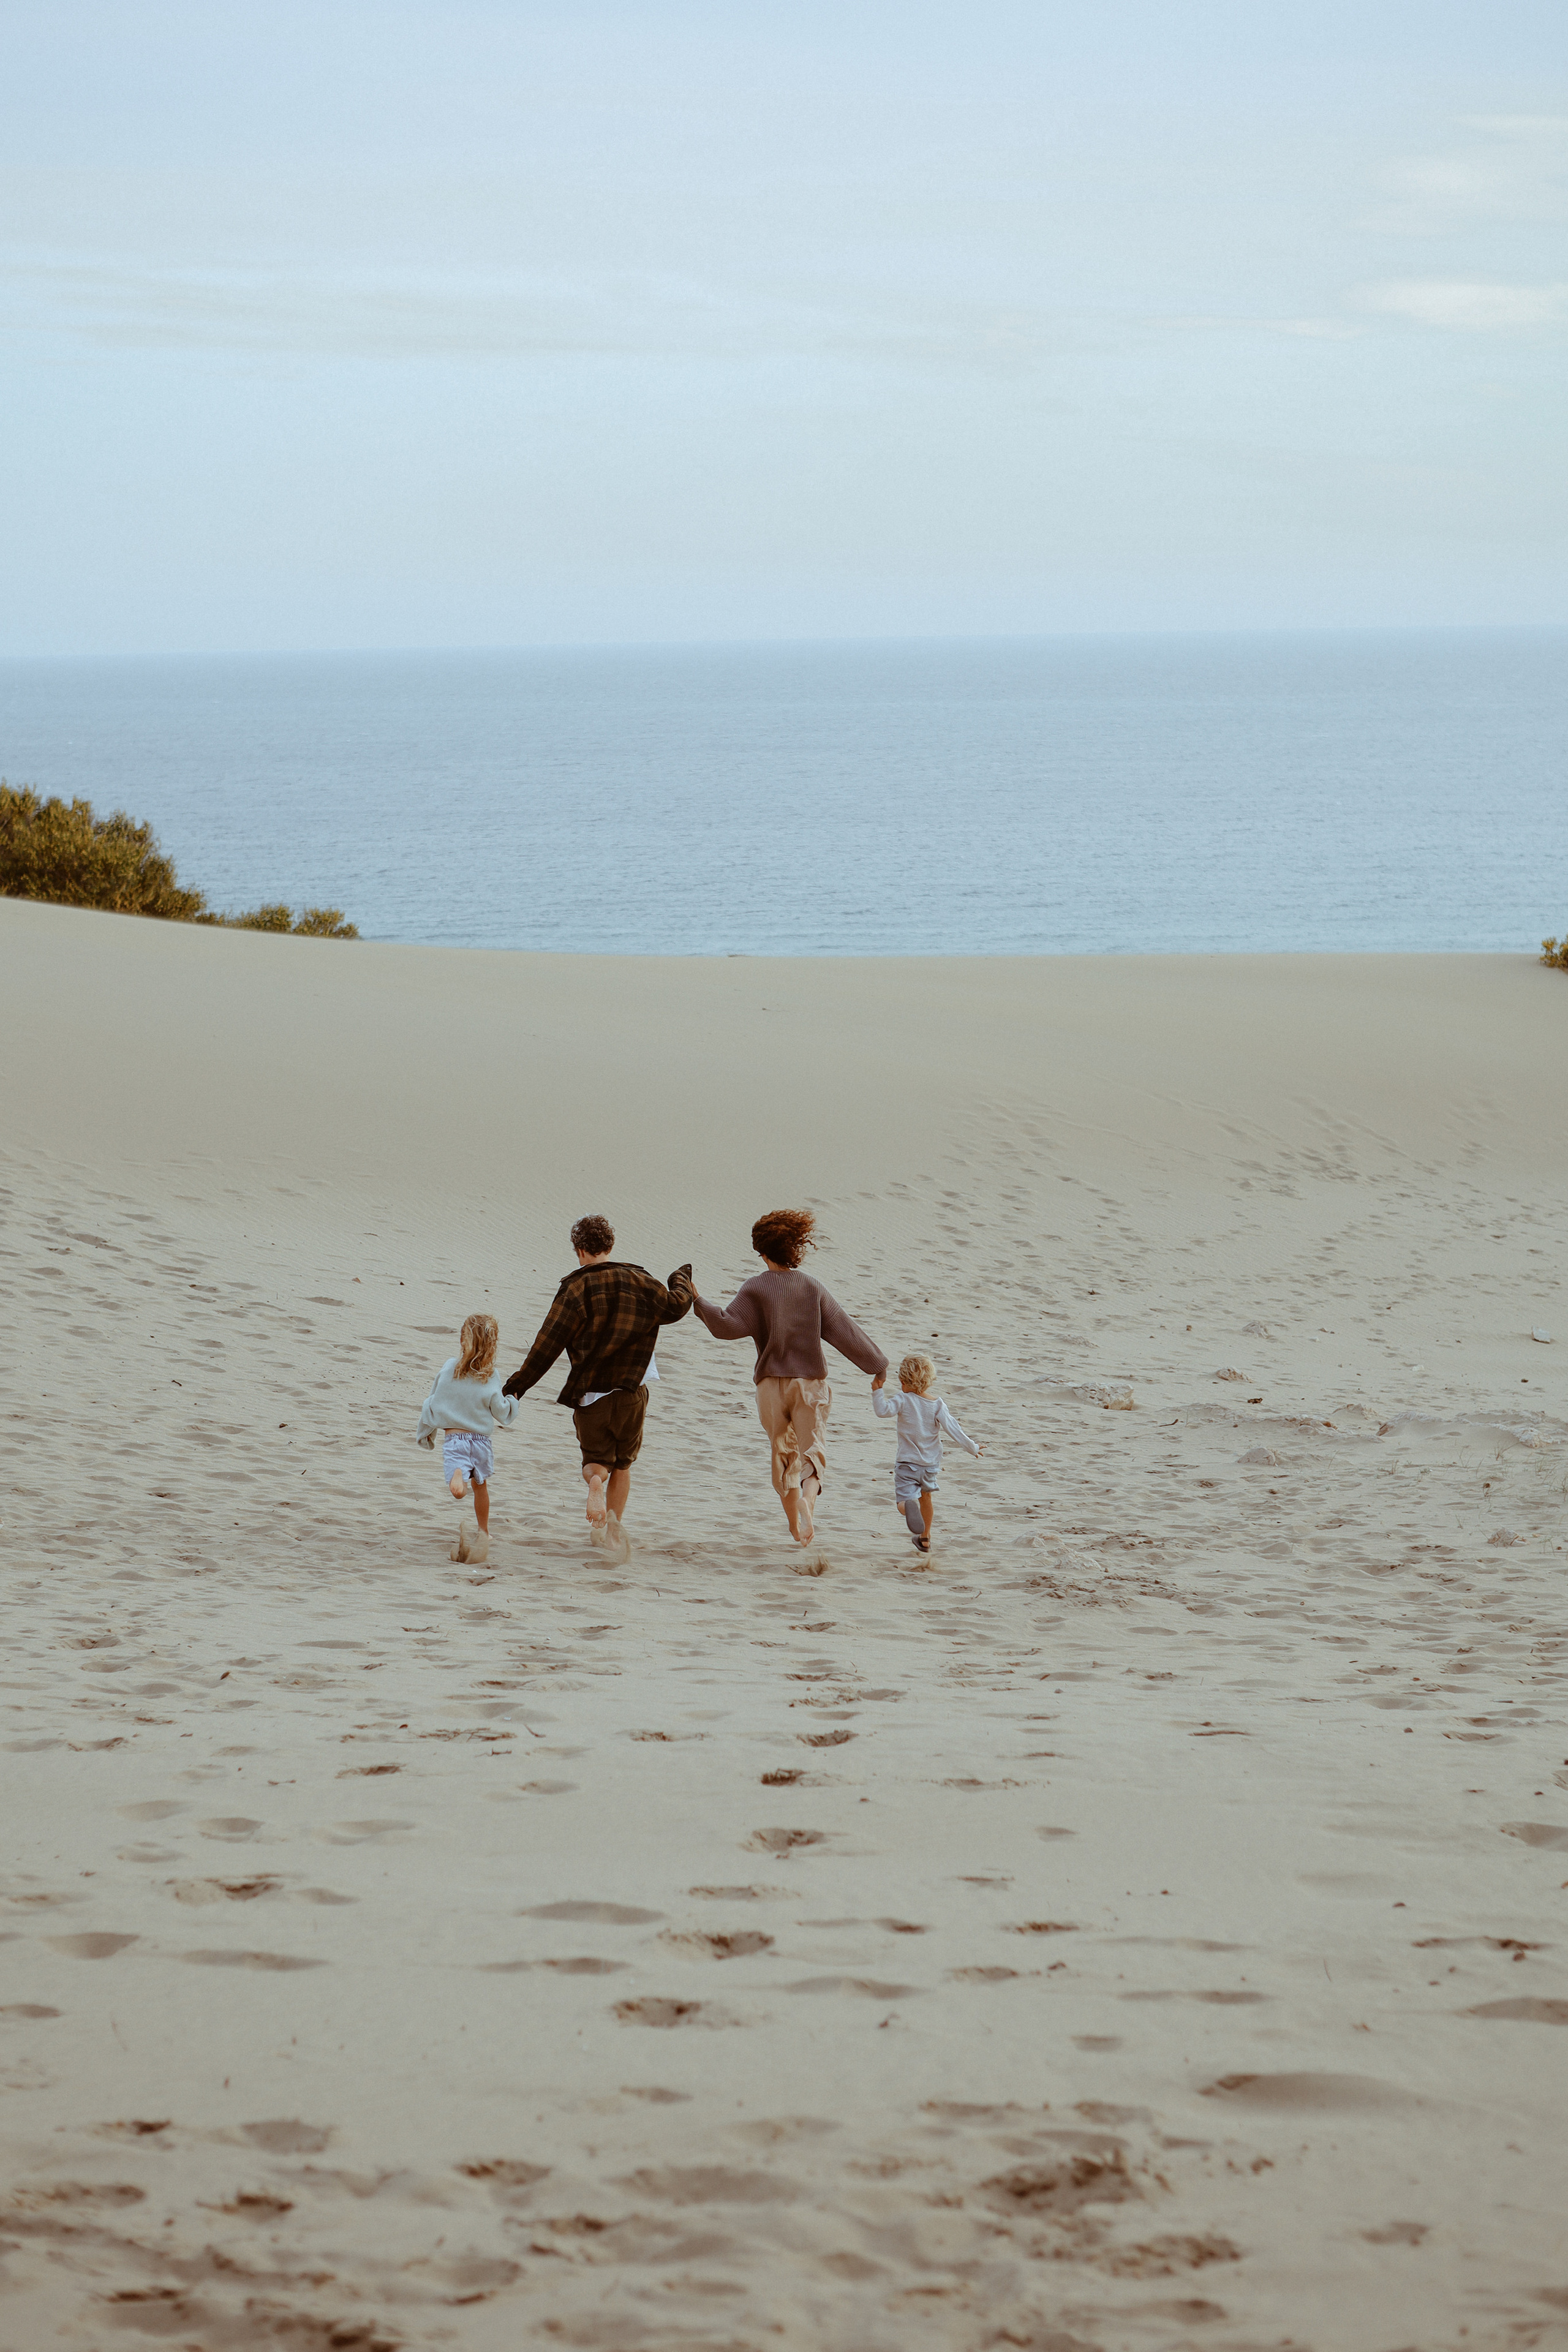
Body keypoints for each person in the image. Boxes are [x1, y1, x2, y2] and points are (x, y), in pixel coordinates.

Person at [692, 1208, 888, 1546]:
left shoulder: (755, 1288)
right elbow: (844, 1330)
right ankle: (808, 1503)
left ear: (762, 1252)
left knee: (783, 1455)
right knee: (813, 1452)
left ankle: (796, 1527)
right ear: (794, 1247)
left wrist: (697, 1299)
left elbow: (726, 1326)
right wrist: (877, 1364)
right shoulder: (811, 1286)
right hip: (809, 1383)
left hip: (770, 1387)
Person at [502, 1214, 693, 1557]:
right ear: (610, 1245)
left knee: (596, 1462)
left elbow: (548, 1344)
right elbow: (677, 1306)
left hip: (591, 1396)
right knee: (623, 1464)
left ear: (579, 1251)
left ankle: (594, 1483)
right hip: (633, 1391)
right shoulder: (642, 1280)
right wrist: (681, 1277)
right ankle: (614, 1528)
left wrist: (517, 1387)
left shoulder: (575, 1288)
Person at [416, 1313, 518, 1563]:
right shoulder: (491, 1375)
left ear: (463, 1339)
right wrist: (513, 1401)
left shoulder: (450, 1367)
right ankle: (484, 1531)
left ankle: (459, 1475)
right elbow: (501, 1411)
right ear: (492, 1345)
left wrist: (426, 1432)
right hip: (482, 1442)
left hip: (455, 1440)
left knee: (459, 1489)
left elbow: (433, 1402)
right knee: (481, 1487)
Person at [872, 1351, 982, 1555]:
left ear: (905, 1382)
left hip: (907, 1464)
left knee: (904, 1501)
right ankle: (925, 1538)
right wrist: (972, 1447)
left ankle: (908, 1507)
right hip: (930, 1466)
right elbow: (953, 1429)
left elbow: (883, 1411)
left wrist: (878, 1391)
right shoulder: (938, 1404)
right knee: (927, 1499)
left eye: (902, 1382)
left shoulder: (903, 1400)